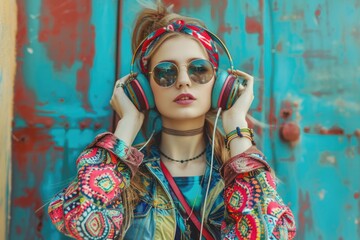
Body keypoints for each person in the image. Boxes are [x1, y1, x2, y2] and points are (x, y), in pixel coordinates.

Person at [48, 1, 296, 239]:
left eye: (199, 69)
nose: (183, 81)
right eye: (166, 72)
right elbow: (81, 221)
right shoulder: (128, 179)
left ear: (220, 84)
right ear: (144, 88)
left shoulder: (237, 175)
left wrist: (236, 125)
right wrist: (127, 125)